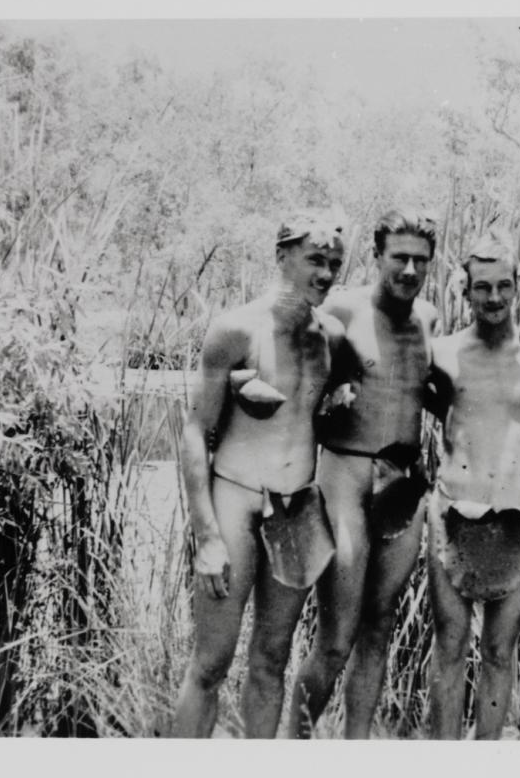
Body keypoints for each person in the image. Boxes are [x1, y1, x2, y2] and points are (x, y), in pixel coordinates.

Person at [172, 213, 347, 738]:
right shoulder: (235, 329)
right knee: (211, 663)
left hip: (296, 509)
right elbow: (194, 432)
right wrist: (206, 536)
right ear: (282, 256)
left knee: (272, 659)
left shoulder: (331, 336)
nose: (326, 273)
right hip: (235, 500)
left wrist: (340, 402)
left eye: (335, 264)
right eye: (316, 260)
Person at [289, 208, 439, 739]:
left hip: (403, 481)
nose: (409, 269)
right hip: (346, 476)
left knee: (379, 627)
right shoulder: (341, 312)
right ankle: (293, 745)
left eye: (420, 260)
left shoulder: (429, 318)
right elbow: (297, 379)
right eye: (399, 257)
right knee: (337, 634)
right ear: (378, 256)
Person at [422, 230, 520, 740]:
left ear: (518, 286)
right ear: (464, 289)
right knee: (450, 647)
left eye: (504, 285)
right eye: (482, 287)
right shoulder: (440, 353)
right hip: (454, 517)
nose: (495, 298)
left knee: (500, 652)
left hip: (517, 522)